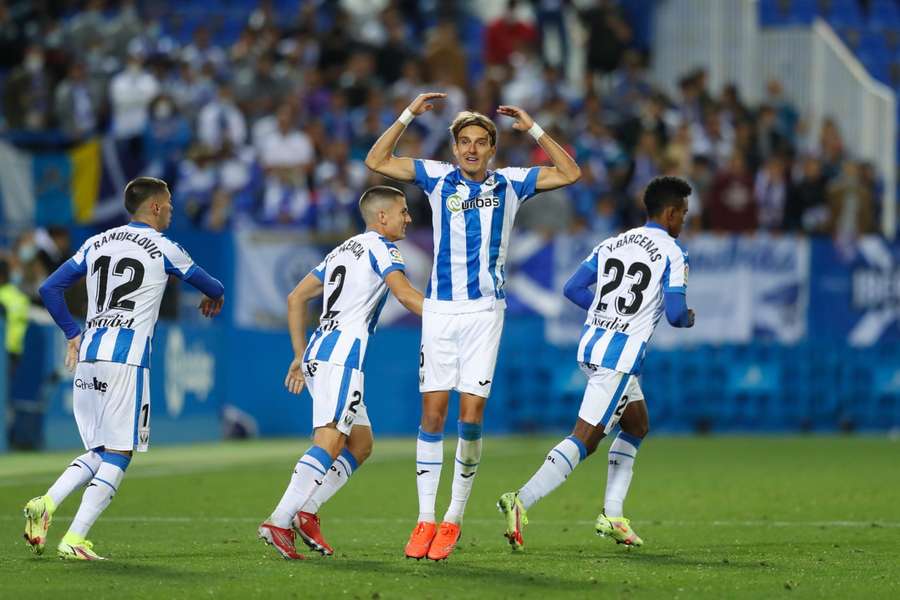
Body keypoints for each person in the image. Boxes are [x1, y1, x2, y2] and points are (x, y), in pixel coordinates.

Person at [364, 92, 581, 561]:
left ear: (492, 149)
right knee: (432, 416)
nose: (471, 149)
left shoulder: (511, 184)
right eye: (464, 141)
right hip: (440, 311)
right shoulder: (436, 177)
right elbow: (376, 159)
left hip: (485, 313)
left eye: (481, 142)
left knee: (471, 416)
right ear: (454, 145)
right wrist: (407, 114)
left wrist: (535, 129)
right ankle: (424, 520)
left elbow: (570, 173)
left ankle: (453, 518)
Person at [23, 177, 225, 561]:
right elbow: (211, 284)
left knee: (99, 449)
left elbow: (49, 288)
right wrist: (215, 297)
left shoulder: (97, 242)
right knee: (120, 451)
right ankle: (75, 538)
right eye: (168, 203)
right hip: (127, 359)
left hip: (90, 354)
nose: (171, 209)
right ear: (153, 207)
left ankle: (45, 503)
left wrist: (71, 332)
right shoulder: (164, 247)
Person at [498, 176, 695, 550]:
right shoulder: (673, 252)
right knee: (585, 440)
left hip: (591, 345)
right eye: (682, 214)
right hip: (617, 358)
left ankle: (613, 515)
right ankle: (521, 499)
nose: (683, 221)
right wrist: (688, 318)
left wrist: (606, 313)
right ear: (669, 213)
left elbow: (572, 289)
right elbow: (674, 314)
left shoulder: (612, 243)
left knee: (636, 425)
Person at [258, 186, 425, 560]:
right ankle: (279, 519)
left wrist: (300, 354)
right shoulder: (383, 248)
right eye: (403, 211)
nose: (408, 218)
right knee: (330, 441)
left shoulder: (341, 250)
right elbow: (404, 294)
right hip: (340, 357)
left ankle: (307, 511)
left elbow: (295, 297)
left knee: (360, 444)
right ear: (382, 217)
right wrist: (451, 320)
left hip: (321, 351)